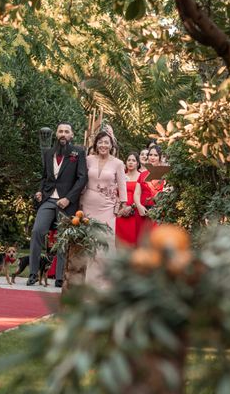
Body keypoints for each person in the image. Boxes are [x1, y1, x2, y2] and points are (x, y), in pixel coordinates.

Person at [27, 122, 88, 287]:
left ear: (71, 135)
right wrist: (40, 191)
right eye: (60, 131)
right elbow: (45, 177)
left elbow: (82, 178)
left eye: (66, 131)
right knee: (37, 231)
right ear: (56, 134)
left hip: (66, 203)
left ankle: (60, 277)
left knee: (63, 238)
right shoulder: (48, 153)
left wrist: (68, 198)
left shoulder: (79, 153)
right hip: (48, 200)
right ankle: (33, 273)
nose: (63, 134)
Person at [79, 130, 128, 286]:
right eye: (100, 142)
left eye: (106, 142)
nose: (103, 145)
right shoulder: (88, 160)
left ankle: (105, 285)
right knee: (89, 245)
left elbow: (122, 187)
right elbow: (80, 180)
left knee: (105, 245)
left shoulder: (118, 163)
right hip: (87, 206)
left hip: (107, 208)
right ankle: (88, 284)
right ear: (96, 144)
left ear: (111, 145)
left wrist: (121, 205)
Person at [116, 152, 146, 246]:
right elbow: (116, 193)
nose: (131, 162)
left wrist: (132, 207)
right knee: (120, 242)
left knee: (133, 241)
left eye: (133, 160)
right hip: (121, 211)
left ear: (137, 163)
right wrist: (121, 207)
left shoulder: (141, 176)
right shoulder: (121, 176)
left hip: (135, 211)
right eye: (129, 160)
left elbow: (142, 195)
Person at [138, 144, 165, 236]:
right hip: (142, 211)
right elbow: (137, 193)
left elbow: (166, 192)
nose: (152, 157)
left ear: (160, 158)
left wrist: (158, 209)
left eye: (156, 155)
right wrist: (139, 206)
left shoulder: (164, 173)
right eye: (150, 155)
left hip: (158, 211)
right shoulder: (142, 174)